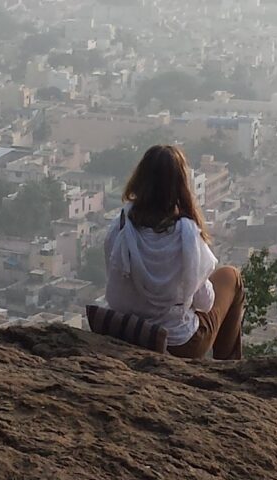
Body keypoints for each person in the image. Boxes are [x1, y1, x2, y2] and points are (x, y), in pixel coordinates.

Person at [101, 143, 244, 360]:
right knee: (230, 276)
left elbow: (114, 280)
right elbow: (205, 303)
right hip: (178, 342)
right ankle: (229, 368)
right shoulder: (185, 234)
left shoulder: (120, 226)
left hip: (130, 332)